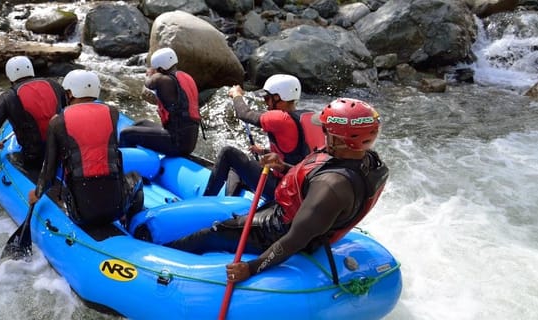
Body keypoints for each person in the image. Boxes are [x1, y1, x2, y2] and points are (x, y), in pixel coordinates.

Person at [166, 98, 389, 283]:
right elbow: (316, 180)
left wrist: (252, 268)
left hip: (279, 230)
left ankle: (165, 258)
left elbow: (295, 239)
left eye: (326, 131)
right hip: (298, 213)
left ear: (342, 140)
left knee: (211, 233)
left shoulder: (332, 187)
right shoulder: (368, 160)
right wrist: (285, 167)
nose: (323, 134)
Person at [29, 70, 143, 227]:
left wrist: (37, 193)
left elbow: (49, 171)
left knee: (63, 186)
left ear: (69, 93)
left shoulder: (57, 122)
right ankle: (129, 223)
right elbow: (115, 157)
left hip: (81, 214)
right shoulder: (112, 113)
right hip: (116, 209)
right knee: (136, 177)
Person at [203, 74, 325, 197]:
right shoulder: (310, 117)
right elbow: (298, 153)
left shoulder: (280, 118)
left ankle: (206, 200)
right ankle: (230, 202)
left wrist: (237, 95)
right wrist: (264, 151)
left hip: (284, 189)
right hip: (304, 187)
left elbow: (244, 114)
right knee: (238, 165)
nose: (265, 103)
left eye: (267, 98)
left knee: (228, 153)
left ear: (278, 97)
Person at [0, 56, 67, 172]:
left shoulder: (7, 97)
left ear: (10, 76)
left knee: (25, 158)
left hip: (34, 157)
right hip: (63, 149)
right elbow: (67, 111)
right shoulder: (54, 84)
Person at [118, 47, 201, 157]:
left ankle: (125, 170)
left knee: (125, 134)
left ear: (161, 69)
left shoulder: (162, 80)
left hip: (176, 142)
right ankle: (141, 157)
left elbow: (149, 83)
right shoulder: (185, 77)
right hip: (187, 140)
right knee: (141, 123)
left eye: (155, 68)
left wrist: (149, 74)